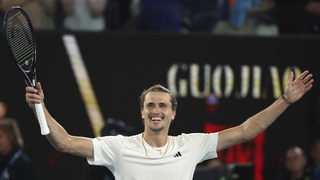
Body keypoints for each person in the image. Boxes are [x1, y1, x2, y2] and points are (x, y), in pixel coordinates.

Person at [25, 70, 313, 179]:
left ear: (173, 113)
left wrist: (284, 101)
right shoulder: (118, 146)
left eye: (163, 105)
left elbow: (247, 130)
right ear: (142, 112)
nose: (156, 110)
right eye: (150, 104)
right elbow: (63, 142)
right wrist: (40, 107)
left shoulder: (190, 144)